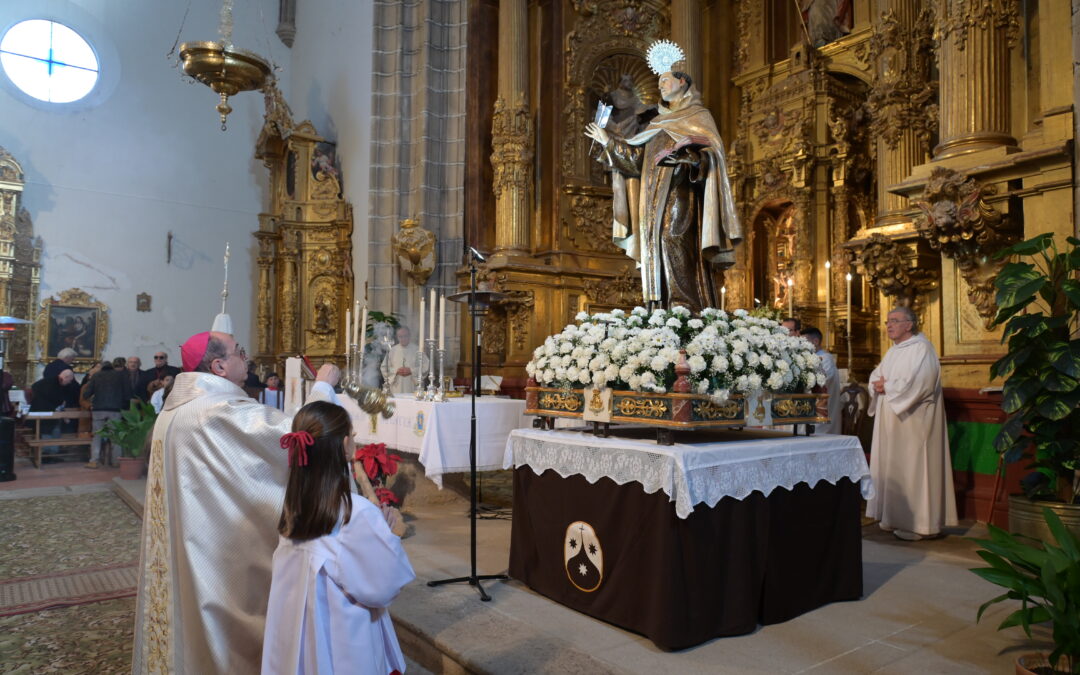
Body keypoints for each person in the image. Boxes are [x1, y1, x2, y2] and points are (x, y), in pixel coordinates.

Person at [132, 330, 341, 674]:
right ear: (218, 366)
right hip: (221, 554)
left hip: (198, 538)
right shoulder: (217, 410)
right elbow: (298, 436)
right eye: (239, 352)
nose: (247, 358)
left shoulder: (180, 409)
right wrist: (323, 387)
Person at [585, 42, 741, 313]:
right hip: (651, 201)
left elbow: (711, 157)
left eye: (665, 81)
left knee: (674, 241)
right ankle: (660, 310)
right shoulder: (656, 125)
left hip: (681, 196)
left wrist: (686, 157)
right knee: (655, 248)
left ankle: (685, 309)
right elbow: (634, 161)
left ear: (682, 82)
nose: (661, 87)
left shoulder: (698, 116)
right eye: (658, 84)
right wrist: (608, 141)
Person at [262, 401, 414, 674]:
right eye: (353, 435)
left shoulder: (292, 505)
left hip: (297, 633)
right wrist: (388, 536)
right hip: (343, 639)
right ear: (345, 445)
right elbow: (383, 586)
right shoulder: (356, 512)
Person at [865, 306, 957, 541]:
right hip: (892, 420)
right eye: (887, 322)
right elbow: (876, 375)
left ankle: (921, 524)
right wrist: (878, 384)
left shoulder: (922, 349)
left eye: (894, 321)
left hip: (914, 422)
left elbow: (922, 383)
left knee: (915, 469)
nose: (889, 326)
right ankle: (893, 518)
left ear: (910, 324)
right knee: (895, 467)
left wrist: (888, 386)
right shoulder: (894, 351)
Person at [82, 360, 133, 468]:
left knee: (97, 436)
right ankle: (116, 461)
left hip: (98, 410)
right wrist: (123, 405)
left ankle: (94, 461)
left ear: (102, 368)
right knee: (115, 437)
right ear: (112, 367)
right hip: (115, 410)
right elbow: (128, 394)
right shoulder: (121, 376)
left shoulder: (96, 376)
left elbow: (86, 394)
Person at [30, 368, 81, 461]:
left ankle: (53, 454)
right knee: (46, 433)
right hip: (44, 413)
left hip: (52, 414)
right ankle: (46, 456)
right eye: (69, 380)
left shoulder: (53, 382)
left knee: (55, 431)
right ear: (65, 377)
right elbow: (54, 398)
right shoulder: (50, 383)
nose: (69, 383)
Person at [801, 327, 840, 435]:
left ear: (816, 341)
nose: (801, 346)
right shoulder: (808, 358)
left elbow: (820, 381)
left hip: (820, 411)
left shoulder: (826, 359)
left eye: (804, 342)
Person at [380, 326, 423, 396]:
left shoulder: (418, 350)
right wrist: (396, 371)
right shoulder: (393, 350)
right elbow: (384, 368)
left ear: (409, 336)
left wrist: (411, 370)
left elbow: (424, 367)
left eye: (405, 336)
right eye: (400, 336)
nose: (403, 339)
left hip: (412, 387)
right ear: (397, 337)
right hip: (396, 388)